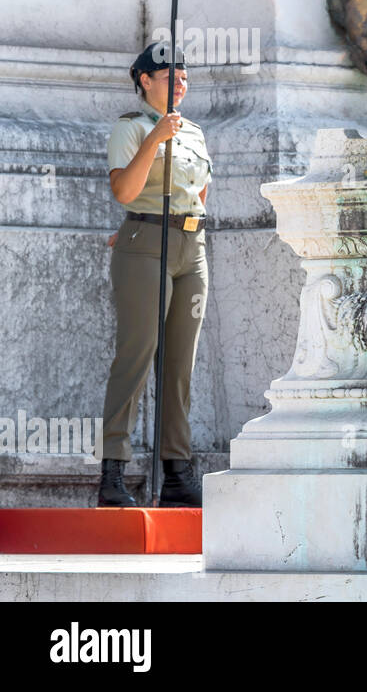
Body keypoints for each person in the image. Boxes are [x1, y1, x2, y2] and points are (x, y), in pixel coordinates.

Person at [97, 42, 211, 508]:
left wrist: (189, 227)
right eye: (170, 76)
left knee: (179, 365)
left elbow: (201, 190)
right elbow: (124, 191)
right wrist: (154, 141)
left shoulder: (196, 132)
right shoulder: (132, 128)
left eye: (184, 76)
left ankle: (177, 472)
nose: (180, 83)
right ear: (145, 80)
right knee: (137, 355)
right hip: (146, 245)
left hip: (191, 246)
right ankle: (113, 472)